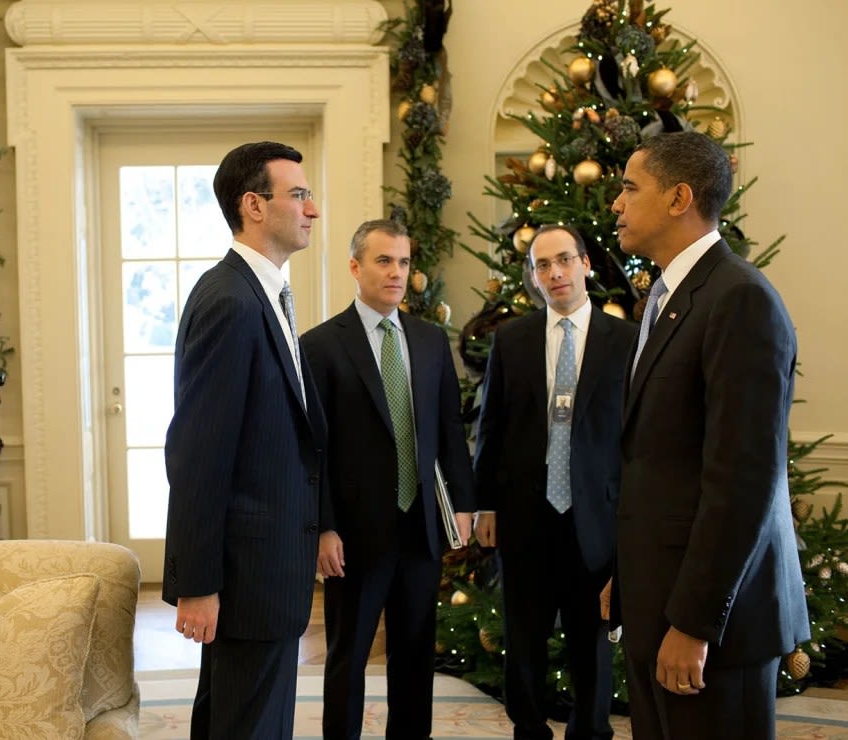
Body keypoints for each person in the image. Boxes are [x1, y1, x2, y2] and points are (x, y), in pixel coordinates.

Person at [606, 131, 809, 740]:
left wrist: (694, 622)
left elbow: (744, 481)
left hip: (714, 626)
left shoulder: (740, 299)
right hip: (658, 604)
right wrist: (630, 576)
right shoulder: (668, 297)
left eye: (629, 187)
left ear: (679, 198)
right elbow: (657, 459)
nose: (615, 203)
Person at [162, 141, 327, 739]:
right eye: (300, 195)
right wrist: (198, 584)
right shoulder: (230, 300)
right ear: (253, 205)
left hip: (270, 571)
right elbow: (198, 455)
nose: (313, 209)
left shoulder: (267, 292)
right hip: (246, 575)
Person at [301, 219, 476, 739]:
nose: (396, 272)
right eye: (383, 261)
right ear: (356, 267)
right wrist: (324, 527)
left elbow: (449, 428)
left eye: (403, 262)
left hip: (419, 528)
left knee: (415, 656)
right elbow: (315, 449)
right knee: (348, 657)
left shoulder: (427, 341)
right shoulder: (322, 346)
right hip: (354, 535)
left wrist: (463, 505)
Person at [473, 224, 636, 740]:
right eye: (543, 265)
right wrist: (486, 507)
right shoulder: (513, 340)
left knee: (592, 637)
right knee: (523, 638)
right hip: (526, 515)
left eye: (564, 260)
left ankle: (591, 731)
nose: (555, 273)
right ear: (533, 278)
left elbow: (638, 437)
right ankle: (529, 729)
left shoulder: (627, 342)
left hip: (598, 516)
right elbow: (491, 427)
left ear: (586, 264)